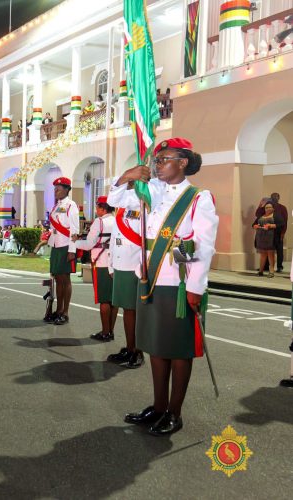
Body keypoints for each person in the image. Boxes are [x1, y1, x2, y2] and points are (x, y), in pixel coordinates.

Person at [108, 137, 218, 436]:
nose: (157, 164)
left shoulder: (198, 197)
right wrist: (126, 177)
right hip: (150, 278)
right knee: (156, 346)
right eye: (156, 160)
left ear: (183, 162)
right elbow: (116, 201)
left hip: (178, 283)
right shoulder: (151, 190)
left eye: (164, 159)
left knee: (178, 350)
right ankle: (157, 406)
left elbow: (201, 245)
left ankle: (174, 412)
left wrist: (194, 286)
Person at [106, 206, 144, 368]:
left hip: (134, 265)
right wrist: (111, 264)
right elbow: (114, 238)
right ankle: (130, 348)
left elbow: (147, 238)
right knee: (126, 309)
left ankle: (137, 351)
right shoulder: (121, 210)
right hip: (121, 264)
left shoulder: (144, 205)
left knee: (133, 310)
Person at [74, 196, 117, 341]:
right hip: (115, 262)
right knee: (113, 299)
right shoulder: (117, 220)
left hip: (101, 261)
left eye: (98, 207)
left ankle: (105, 332)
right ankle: (110, 330)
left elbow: (89, 244)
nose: (96, 209)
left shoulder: (99, 222)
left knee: (104, 299)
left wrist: (75, 242)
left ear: (103, 208)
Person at [46, 176, 80, 325]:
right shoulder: (56, 206)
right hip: (56, 246)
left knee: (65, 280)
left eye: (58, 189)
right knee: (58, 280)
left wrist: (72, 250)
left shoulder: (71, 205)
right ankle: (58, 310)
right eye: (55, 189)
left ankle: (65, 312)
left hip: (66, 246)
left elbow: (74, 230)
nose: (56, 191)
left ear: (67, 189)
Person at [256, 193, 288, 272]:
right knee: (266, 250)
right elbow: (258, 215)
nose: (275, 198)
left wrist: (283, 233)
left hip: (277, 233)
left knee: (279, 250)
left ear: (279, 198)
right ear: (271, 198)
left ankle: (279, 266)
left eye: (276, 197)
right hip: (267, 234)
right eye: (273, 197)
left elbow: (284, 221)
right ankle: (266, 267)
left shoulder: (282, 208)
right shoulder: (266, 207)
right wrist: (260, 205)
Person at [253, 201, 279, 278]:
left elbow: (281, 224)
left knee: (271, 255)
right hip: (261, 238)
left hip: (271, 238)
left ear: (273, 208)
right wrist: (255, 226)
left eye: (269, 207)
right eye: (266, 207)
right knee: (263, 254)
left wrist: (270, 225)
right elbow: (253, 224)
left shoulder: (276, 216)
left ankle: (271, 272)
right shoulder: (261, 216)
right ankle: (261, 271)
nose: (267, 209)